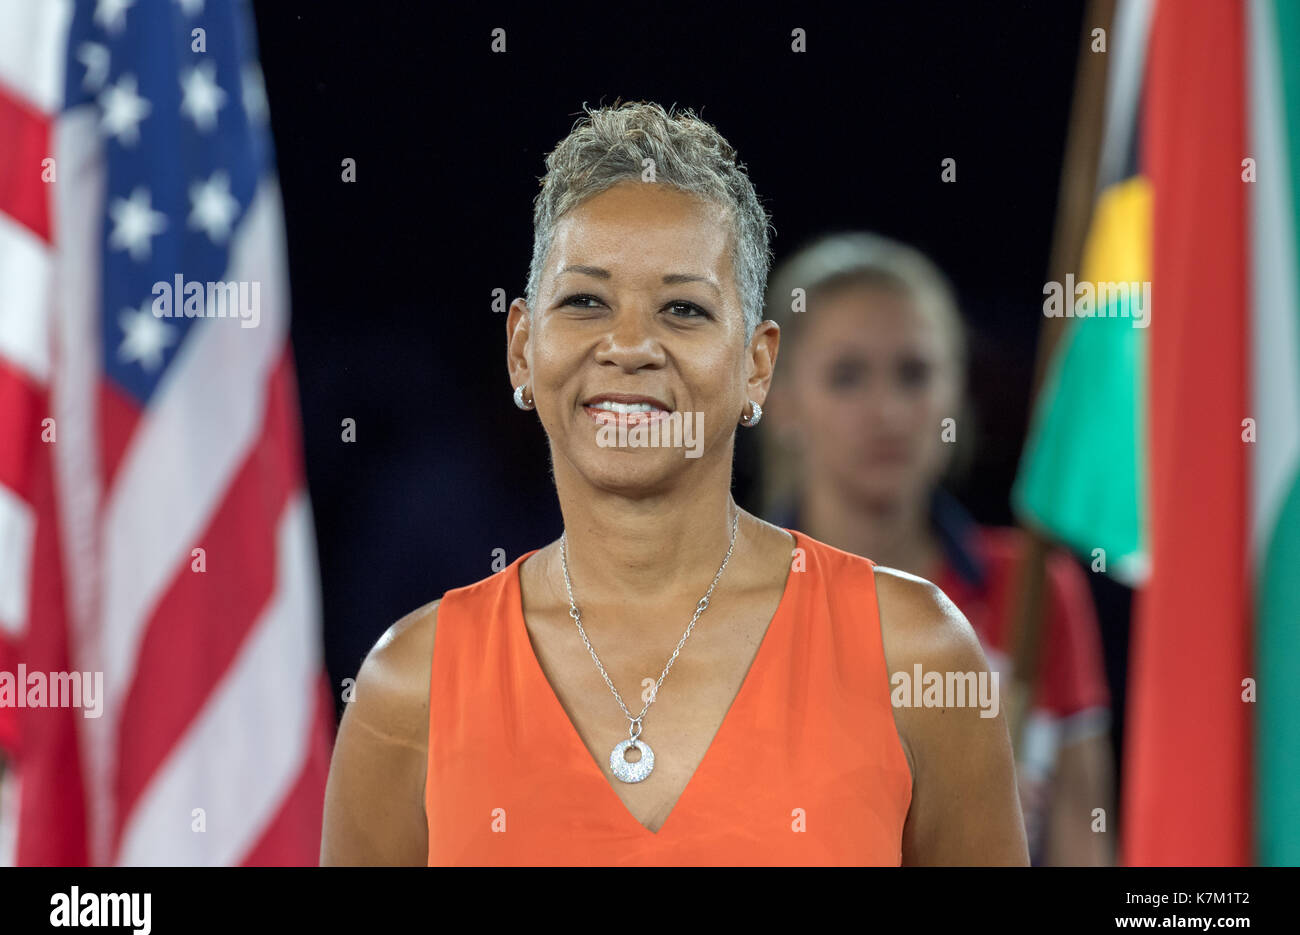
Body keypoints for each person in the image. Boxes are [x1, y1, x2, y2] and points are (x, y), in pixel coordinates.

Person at [319, 102, 1028, 865]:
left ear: (757, 366)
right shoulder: (410, 686)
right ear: (522, 348)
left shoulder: (915, 652)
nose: (629, 346)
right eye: (585, 301)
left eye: (684, 309)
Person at [759, 232, 1114, 865]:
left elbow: (1086, 843)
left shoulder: (1036, 587)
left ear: (956, 392)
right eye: (847, 377)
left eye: (914, 373)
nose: (888, 411)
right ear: (778, 399)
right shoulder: (724, 597)